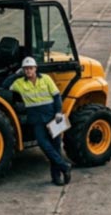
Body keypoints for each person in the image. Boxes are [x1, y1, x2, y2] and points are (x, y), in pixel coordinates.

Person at [4, 57, 71, 185]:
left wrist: (58, 112)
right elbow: (5, 85)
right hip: (36, 119)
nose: (28, 71)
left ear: (35, 68)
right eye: (26, 69)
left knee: (56, 146)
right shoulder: (19, 83)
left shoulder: (46, 79)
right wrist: (15, 75)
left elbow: (57, 96)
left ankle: (56, 177)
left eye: (30, 68)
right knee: (43, 143)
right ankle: (64, 166)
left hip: (52, 116)